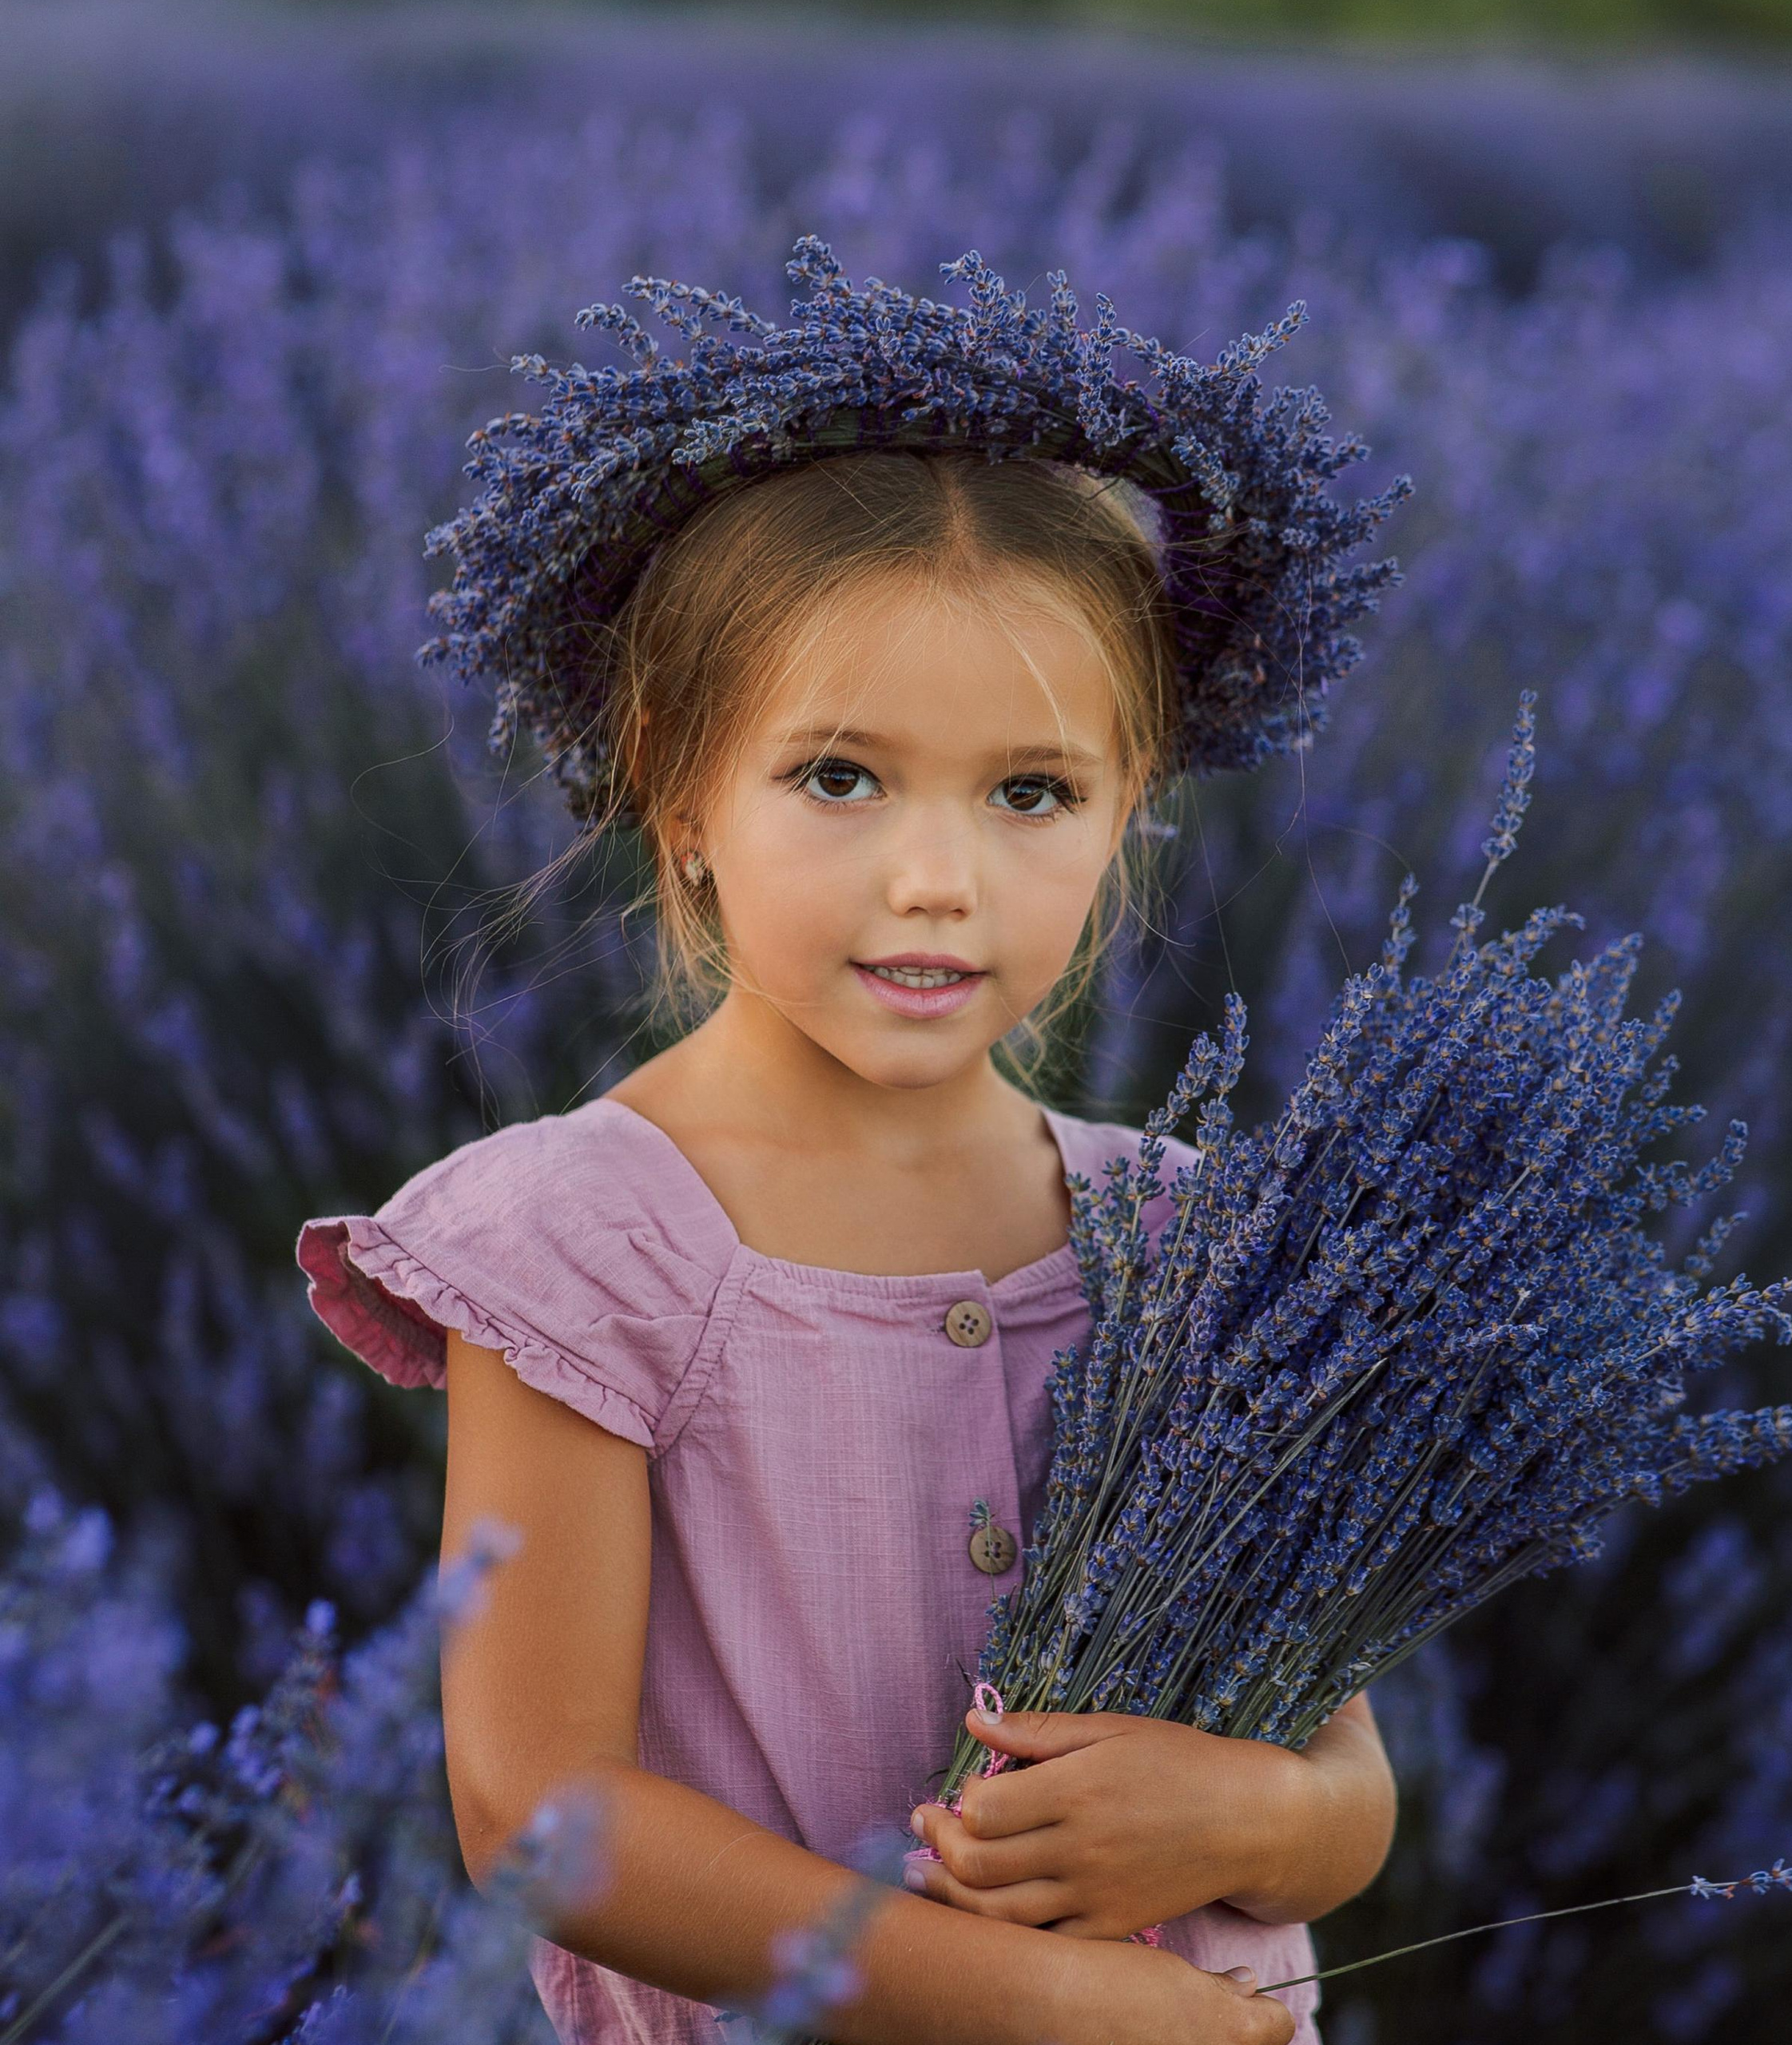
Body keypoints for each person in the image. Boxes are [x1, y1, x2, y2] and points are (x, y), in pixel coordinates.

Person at [296, 241, 1403, 2045]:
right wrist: (1032, 1998)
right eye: (837, 775)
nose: (934, 877)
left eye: (1031, 792)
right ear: (673, 775)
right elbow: (542, 1812)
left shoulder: (1188, 1231)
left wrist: (1263, 1815)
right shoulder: (586, 1242)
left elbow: (1346, 1774)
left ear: (1129, 810)